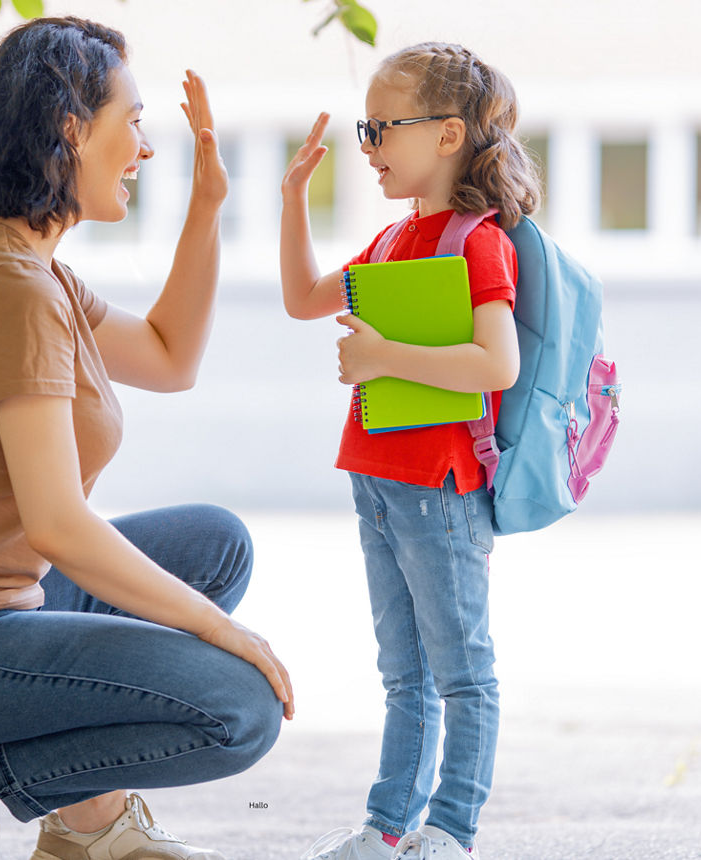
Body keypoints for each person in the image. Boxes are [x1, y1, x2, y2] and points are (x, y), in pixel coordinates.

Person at [0, 17, 293, 860]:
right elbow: (57, 523)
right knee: (238, 709)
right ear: (70, 128)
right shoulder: (10, 285)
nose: (145, 148)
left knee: (214, 545)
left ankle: (86, 828)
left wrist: (207, 208)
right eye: (135, 122)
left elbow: (169, 357)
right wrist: (218, 630)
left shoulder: (33, 268)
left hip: (0, 610)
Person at [278, 42, 541, 860]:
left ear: (448, 134)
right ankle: (389, 826)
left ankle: (451, 830)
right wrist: (293, 198)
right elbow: (303, 299)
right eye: (367, 130)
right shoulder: (392, 239)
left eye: (381, 128)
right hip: (379, 479)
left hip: (442, 486)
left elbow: (496, 364)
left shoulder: (476, 242)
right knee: (404, 673)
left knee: (462, 672)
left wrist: (383, 356)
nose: (369, 146)